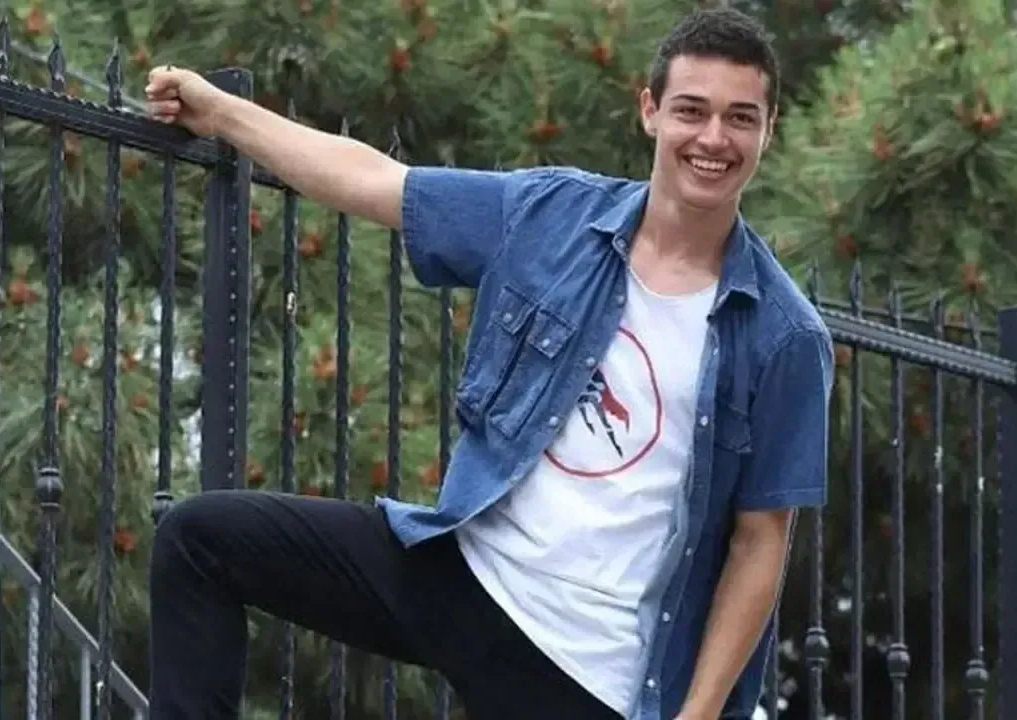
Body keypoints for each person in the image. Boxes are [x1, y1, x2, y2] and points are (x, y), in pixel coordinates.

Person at [142, 7, 832, 720]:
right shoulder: (554, 217)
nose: (713, 138)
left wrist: (698, 714)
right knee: (199, 540)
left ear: (768, 130)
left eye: (740, 118)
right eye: (692, 110)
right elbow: (376, 180)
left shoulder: (783, 336)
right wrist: (221, 113)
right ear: (650, 111)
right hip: (464, 570)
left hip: (583, 666)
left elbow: (760, 543)